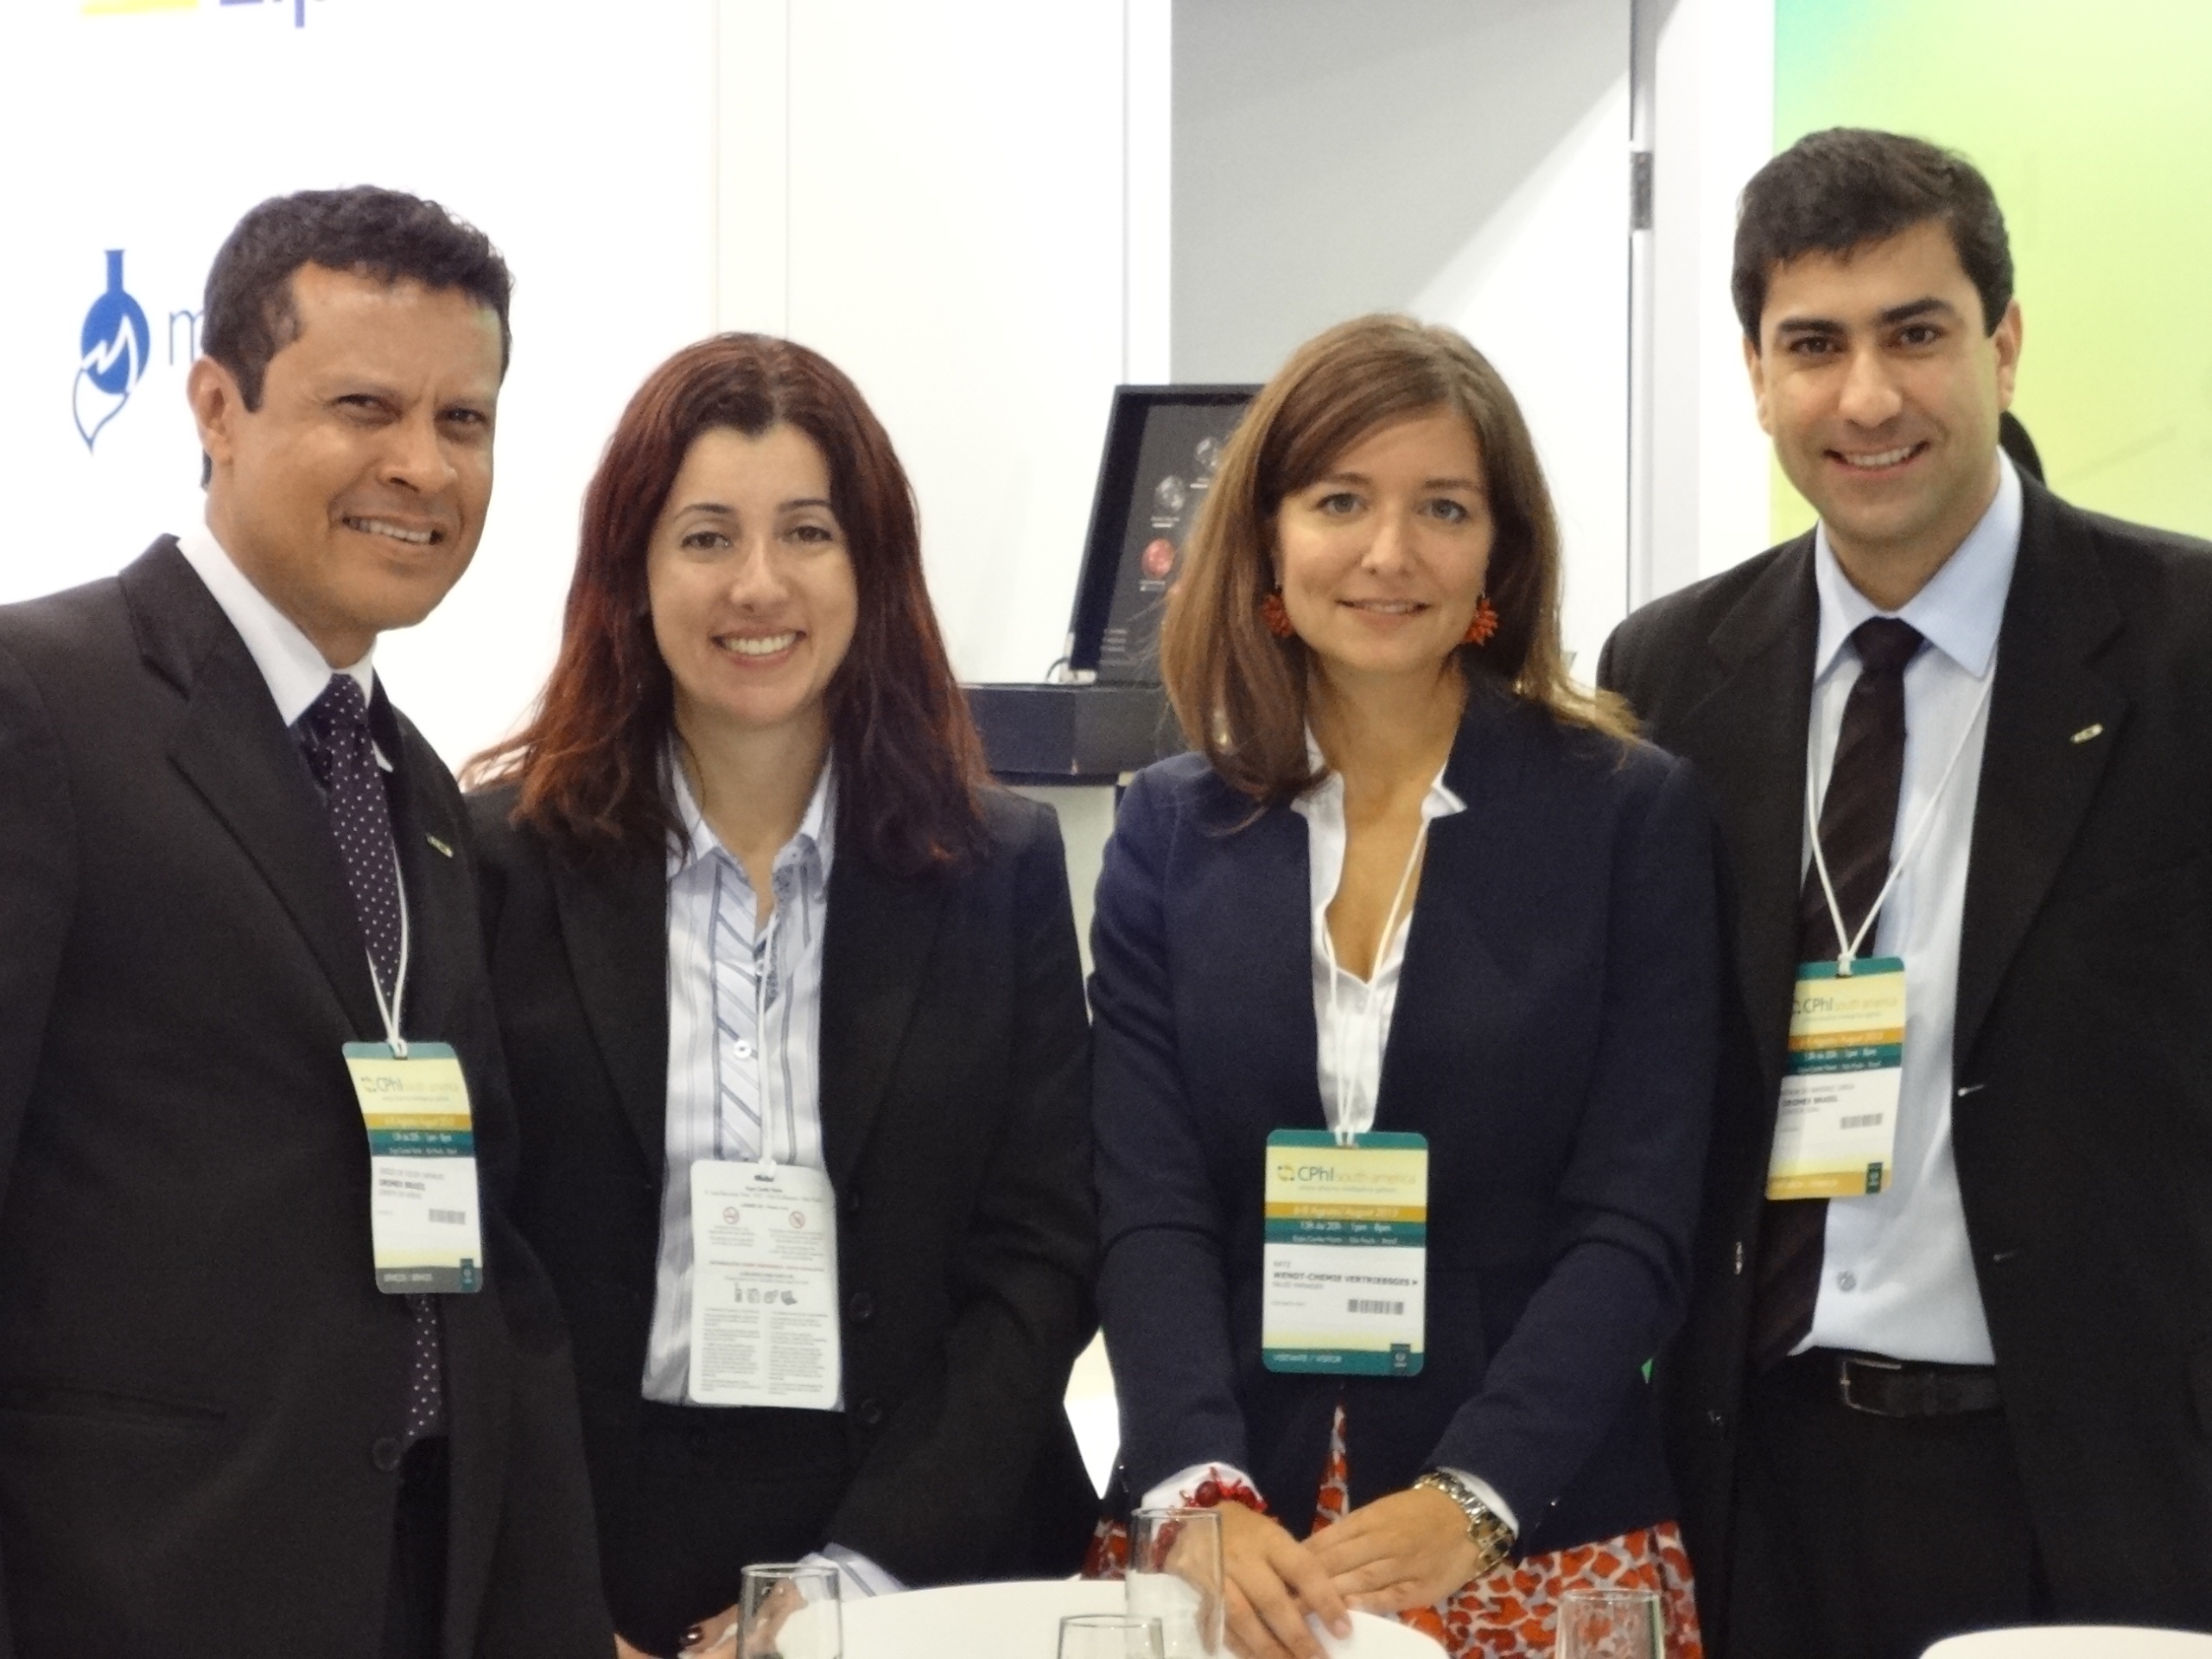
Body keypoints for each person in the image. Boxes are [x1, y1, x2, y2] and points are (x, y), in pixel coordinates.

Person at [1598, 128, 2212, 1658]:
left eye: (1916, 334)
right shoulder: (1668, 672)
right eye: (1815, 345)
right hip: (1754, 1481)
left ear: (2004, 344)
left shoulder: (2188, 645)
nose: (1867, 398)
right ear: (1757, 374)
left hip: (2099, 1487)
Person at [0, 187, 610, 1655]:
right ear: (218, 407)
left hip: (405, 1583)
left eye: (463, 421)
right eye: (364, 407)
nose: (423, 466)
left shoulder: (419, 789)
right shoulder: (42, 704)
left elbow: (482, 1237)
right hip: (125, 1586)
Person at [1090, 315, 1720, 1659]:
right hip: (1232, 1544)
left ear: (1499, 549)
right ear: (1267, 537)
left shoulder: (1626, 814)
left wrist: (1477, 1496)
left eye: (1443, 507)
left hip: (1537, 1528)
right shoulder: (1168, 828)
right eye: (1339, 502)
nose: (1389, 553)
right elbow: (1148, 1206)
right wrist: (1197, 1490)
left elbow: (1636, 1216)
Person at [464, 333, 1098, 1657]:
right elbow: (477, 1270)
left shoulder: (998, 867)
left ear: (872, 565)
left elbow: (1041, 1256)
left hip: (930, 1555)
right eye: (706, 538)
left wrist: (858, 1582)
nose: (759, 584)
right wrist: (558, 1602)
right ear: (632, 572)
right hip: (598, 1557)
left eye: (807, 532)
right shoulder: (498, 867)